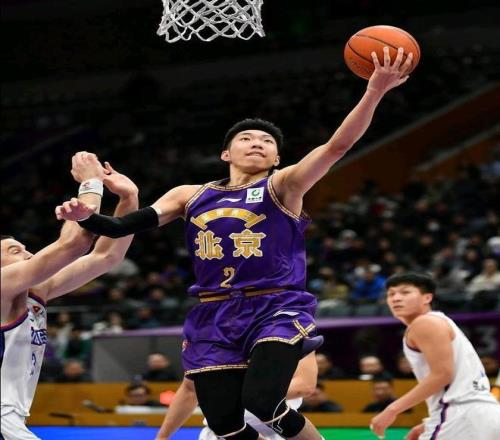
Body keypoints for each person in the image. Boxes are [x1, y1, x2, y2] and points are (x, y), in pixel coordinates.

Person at [58, 47, 414, 440]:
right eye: (246, 138)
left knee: (263, 402)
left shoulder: (284, 185)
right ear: (226, 153)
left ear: (277, 158)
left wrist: (374, 92)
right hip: (214, 311)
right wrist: (87, 215)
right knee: (223, 424)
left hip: (275, 305)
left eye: (267, 141)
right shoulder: (189, 194)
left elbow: (336, 147)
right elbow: (118, 227)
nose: (257, 143)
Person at [1, 153, 138, 440]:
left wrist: (128, 199)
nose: (28, 254)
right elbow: (74, 243)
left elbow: (106, 256)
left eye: (25, 248)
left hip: (12, 418)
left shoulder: (36, 292)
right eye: (15, 251)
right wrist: (91, 182)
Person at [370, 272, 500, 440]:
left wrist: (391, 410)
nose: (396, 298)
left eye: (405, 292)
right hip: (480, 413)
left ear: (427, 298)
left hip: (461, 415)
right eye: (391, 294)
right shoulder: (439, 321)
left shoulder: (424, 323)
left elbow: (442, 375)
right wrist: (429, 423)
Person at [155, 352, 318, 440]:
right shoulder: (211, 337)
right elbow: (190, 390)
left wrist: (237, 393)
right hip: (221, 434)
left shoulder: (291, 331)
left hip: (278, 432)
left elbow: (304, 386)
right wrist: (163, 436)